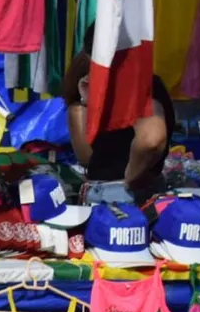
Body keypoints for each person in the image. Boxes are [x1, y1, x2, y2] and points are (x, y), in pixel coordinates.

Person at [62, 25, 174, 205]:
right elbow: (90, 158)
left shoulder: (138, 85)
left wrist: (130, 177)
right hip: (127, 190)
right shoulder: (122, 85)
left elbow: (151, 138)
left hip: (119, 194)